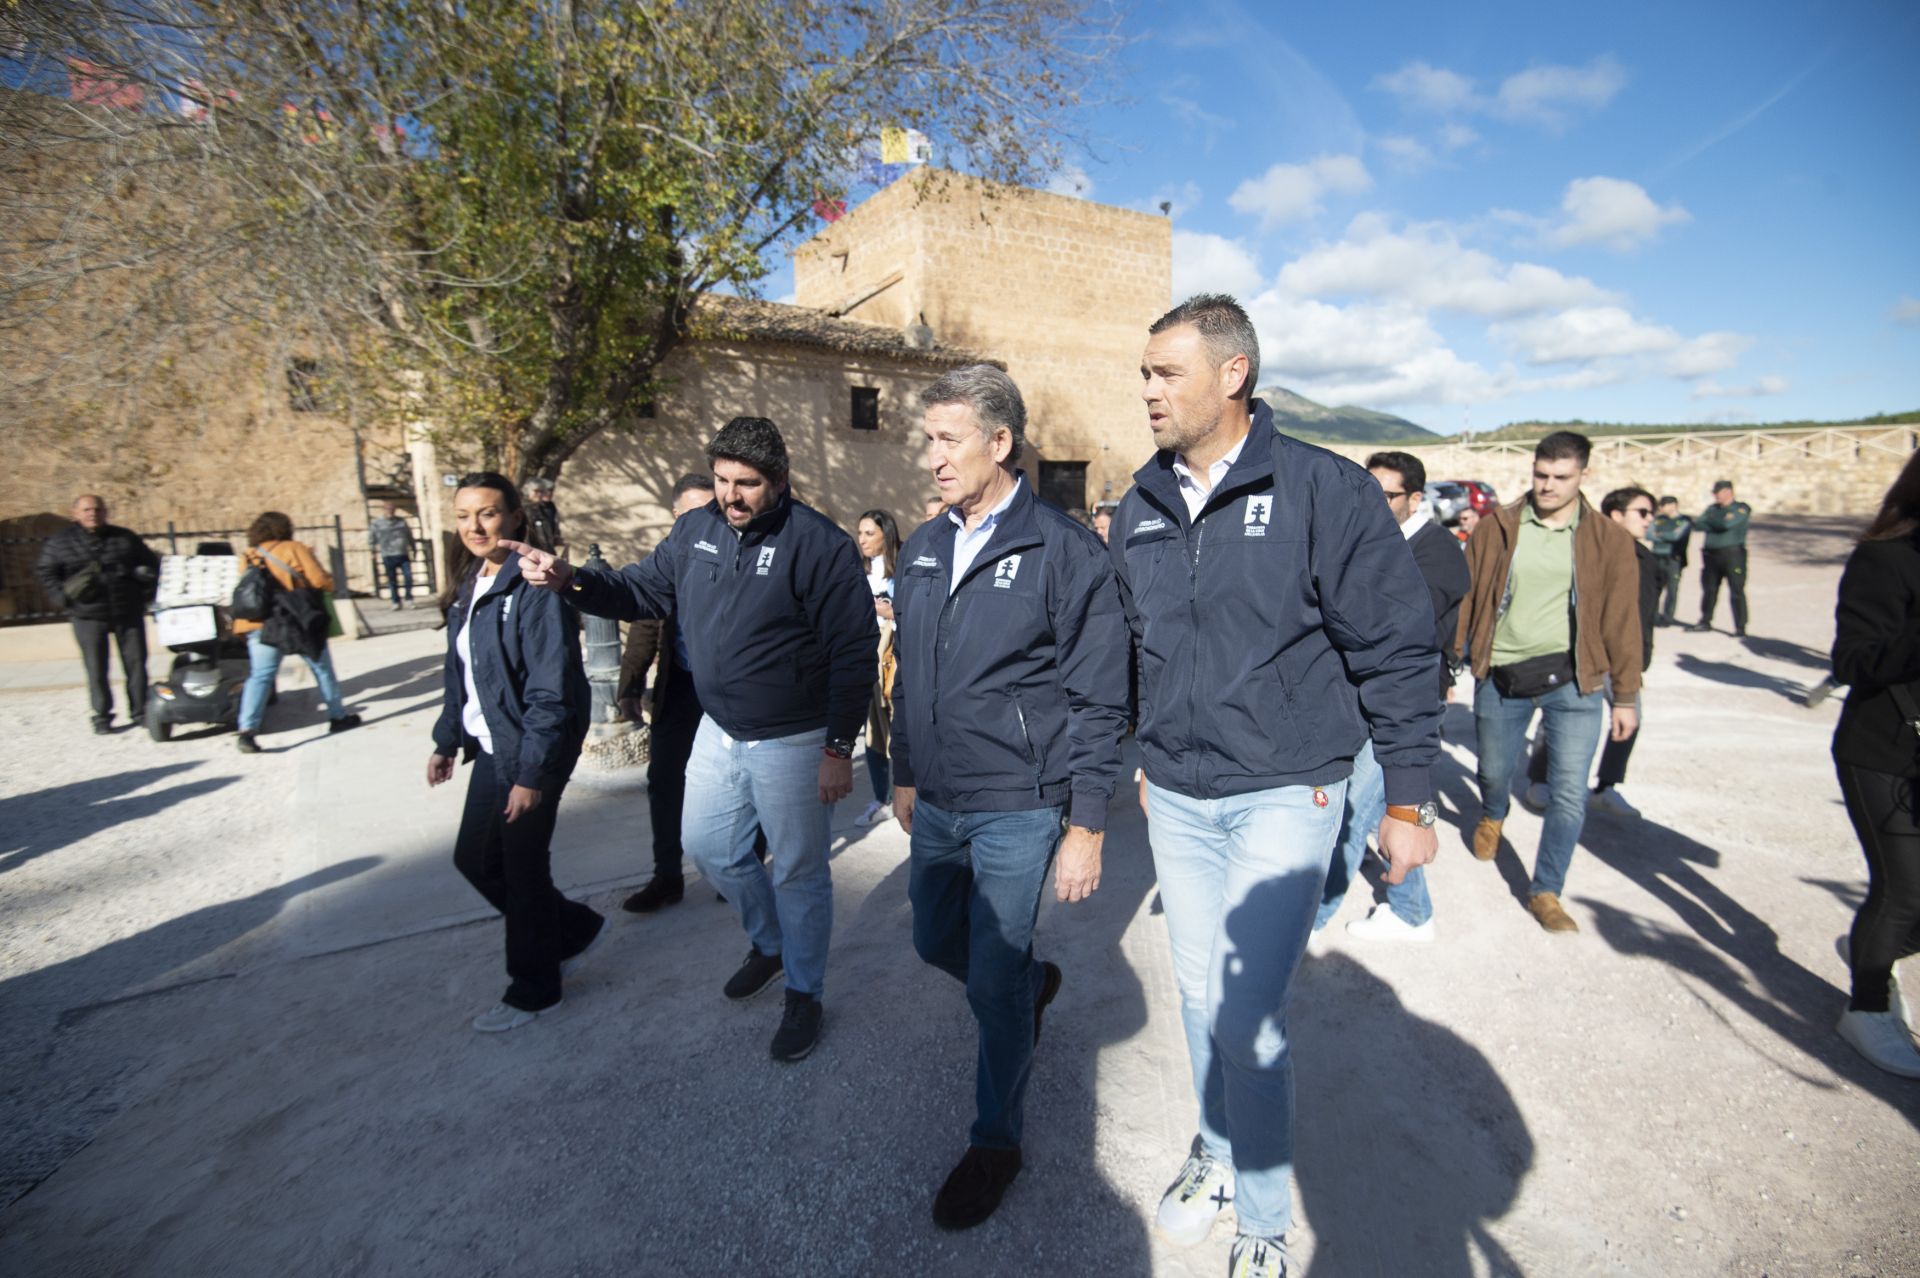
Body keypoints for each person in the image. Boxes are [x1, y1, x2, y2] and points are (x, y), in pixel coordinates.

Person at [1111, 295, 1441, 1278]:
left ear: (1232, 375)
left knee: (1244, 1008)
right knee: (1197, 995)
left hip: (1286, 789)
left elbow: (1395, 645)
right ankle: (1215, 1151)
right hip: (1176, 792)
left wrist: (1410, 799)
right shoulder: (1139, 502)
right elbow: (1136, 646)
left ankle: (1262, 1217)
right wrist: (1143, 752)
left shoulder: (1323, 491)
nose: (1148, 391)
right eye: (1144, 373)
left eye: (1166, 372)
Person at [509, 417, 876, 1063]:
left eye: (748, 484)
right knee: (707, 847)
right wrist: (571, 579)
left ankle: (804, 992)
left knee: (798, 872)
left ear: (781, 481)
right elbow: (641, 590)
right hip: (720, 726)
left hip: (793, 738)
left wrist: (838, 749)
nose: (732, 496)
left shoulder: (819, 544)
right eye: (722, 480)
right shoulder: (696, 529)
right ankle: (768, 943)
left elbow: (854, 651)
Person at [889, 365, 1129, 1230]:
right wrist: (905, 769)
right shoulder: (921, 548)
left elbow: (1101, 698)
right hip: (939, 797)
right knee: (929, 937)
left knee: (989, 979)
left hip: (1020, 802)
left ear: (1000, 443)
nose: (933, 458)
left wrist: (1087, 825)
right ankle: (1030, 985)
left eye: (948, 440)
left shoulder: (1065, 551)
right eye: (929, 439)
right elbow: (913, 675)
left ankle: (997, 1141)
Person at [429, 473, 605, 1033]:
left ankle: (535, 989)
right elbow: (460, 675)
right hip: (493, 746)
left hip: (530, 751)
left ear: (513, 518)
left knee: (522, 871)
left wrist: (533, 773)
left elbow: (551, 690)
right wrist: (446, 738)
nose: (474, 526)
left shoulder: (533, 586)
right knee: (476, 860)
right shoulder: (469, 583)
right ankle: (572, 931)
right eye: (463, 516)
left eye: (486, 513)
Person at [1455, 432, 1641, 934]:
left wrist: (1626, 695)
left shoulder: (1609, 539)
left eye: (1561, 478)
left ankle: (1545, 890)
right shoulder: (1499, 527)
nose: (1548, 486)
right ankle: (1493, 813)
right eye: (1541, 475)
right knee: (1493, 771)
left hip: (1574, 684)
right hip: (1501, 673)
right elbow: (1467, 597)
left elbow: (1624, 620)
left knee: (1568, 794)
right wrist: (1451, 660)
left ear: (1583, 476)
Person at [1312, 450, 1469, 946]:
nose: (1373, 501)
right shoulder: (1376, 542)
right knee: (1381, 808)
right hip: (1365, 698)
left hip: (1403, 704)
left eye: (1388, 493)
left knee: (1352, 814)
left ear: (1416, 498)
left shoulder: (1436, 550)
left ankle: (1311, 918)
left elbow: (1396, 627)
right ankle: (1411, 910)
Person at [1829, 449, 1920, 1078]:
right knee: (1905, 892)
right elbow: (1853, 661)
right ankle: (1865, 1004)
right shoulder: (1885, 558)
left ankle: (1872, 950)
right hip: (1885, 750)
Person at [233, 511, 362, 753]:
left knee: (260, 676)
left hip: (260, 624)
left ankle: (247, 731)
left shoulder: (250, 555)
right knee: (322, 669)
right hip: (297, 620)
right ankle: (337, 716)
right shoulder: (294, 548)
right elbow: (321, 581)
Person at [33, 494, 159, 734]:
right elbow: (46, 572)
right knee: (96, 668)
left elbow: (151, 565)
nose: (93, 514)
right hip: (87, 615)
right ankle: (102, 716)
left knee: (136, 664)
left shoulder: (125, 537)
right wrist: (62, 598)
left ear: (105, 512)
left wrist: (143, 591)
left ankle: (140, 711)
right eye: (87, 510)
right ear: (75, 513)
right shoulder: (60, 543)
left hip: (127, 611)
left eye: (98, 509)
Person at [854, 508, 901, 827]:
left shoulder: (904, 569)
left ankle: (910, 795)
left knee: (902, 731)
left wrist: (889, 611)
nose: (863, 540)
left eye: (870, 533)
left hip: (896, 658)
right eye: (860, 533)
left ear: (887, 534)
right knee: (873, 732)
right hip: (866, 655)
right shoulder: (857, 571)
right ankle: (880, 796)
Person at [1687, 479, 1750, 635]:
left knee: (1736, 591)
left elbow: (1726, 525)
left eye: (1718, 492)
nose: (1715, 496)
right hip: (1711, 555)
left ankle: (1740, 626)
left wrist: (1712, 521)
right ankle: (1705, 620)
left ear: (1728, 492)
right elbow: (1698, 525)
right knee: (1709, 589)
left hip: (1732, 554)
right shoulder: (1712, 509)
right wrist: (1715, 521)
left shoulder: (1741, 508)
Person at [1649, 496, 1691, 627]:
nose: (1661, 508)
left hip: (1673, 559)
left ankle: (1667, 617)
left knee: (1672, 590)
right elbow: (1649, 534)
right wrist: (1666, 535)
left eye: (1664, 505)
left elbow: (1676, 536)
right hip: (1656, 557)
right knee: (1654, 589)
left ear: (1673, 505)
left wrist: (1659, 535)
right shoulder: (1658, 520)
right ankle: (1653, 616)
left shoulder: (1684, 521)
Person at [369, 502, 416, 608]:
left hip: (403, 554)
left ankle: (409, 599)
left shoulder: (401, 522)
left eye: (392, 509)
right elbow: (372, 538)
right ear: (384, 510)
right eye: (388, 509)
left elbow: (409, 535)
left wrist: (414, 548)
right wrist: (372, 551)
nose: (390, 511)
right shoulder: (377, 523)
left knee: (408, 577)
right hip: (388, 555)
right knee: (392, 580)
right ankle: (395, 601)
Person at [525, 478, 565, 559]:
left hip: (546, 552)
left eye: (541, 491)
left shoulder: (542, 508)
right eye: (536, 491)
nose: (539, 494)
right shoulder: (525, 510)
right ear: (528, 492)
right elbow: (527, 537)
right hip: (534, 555)